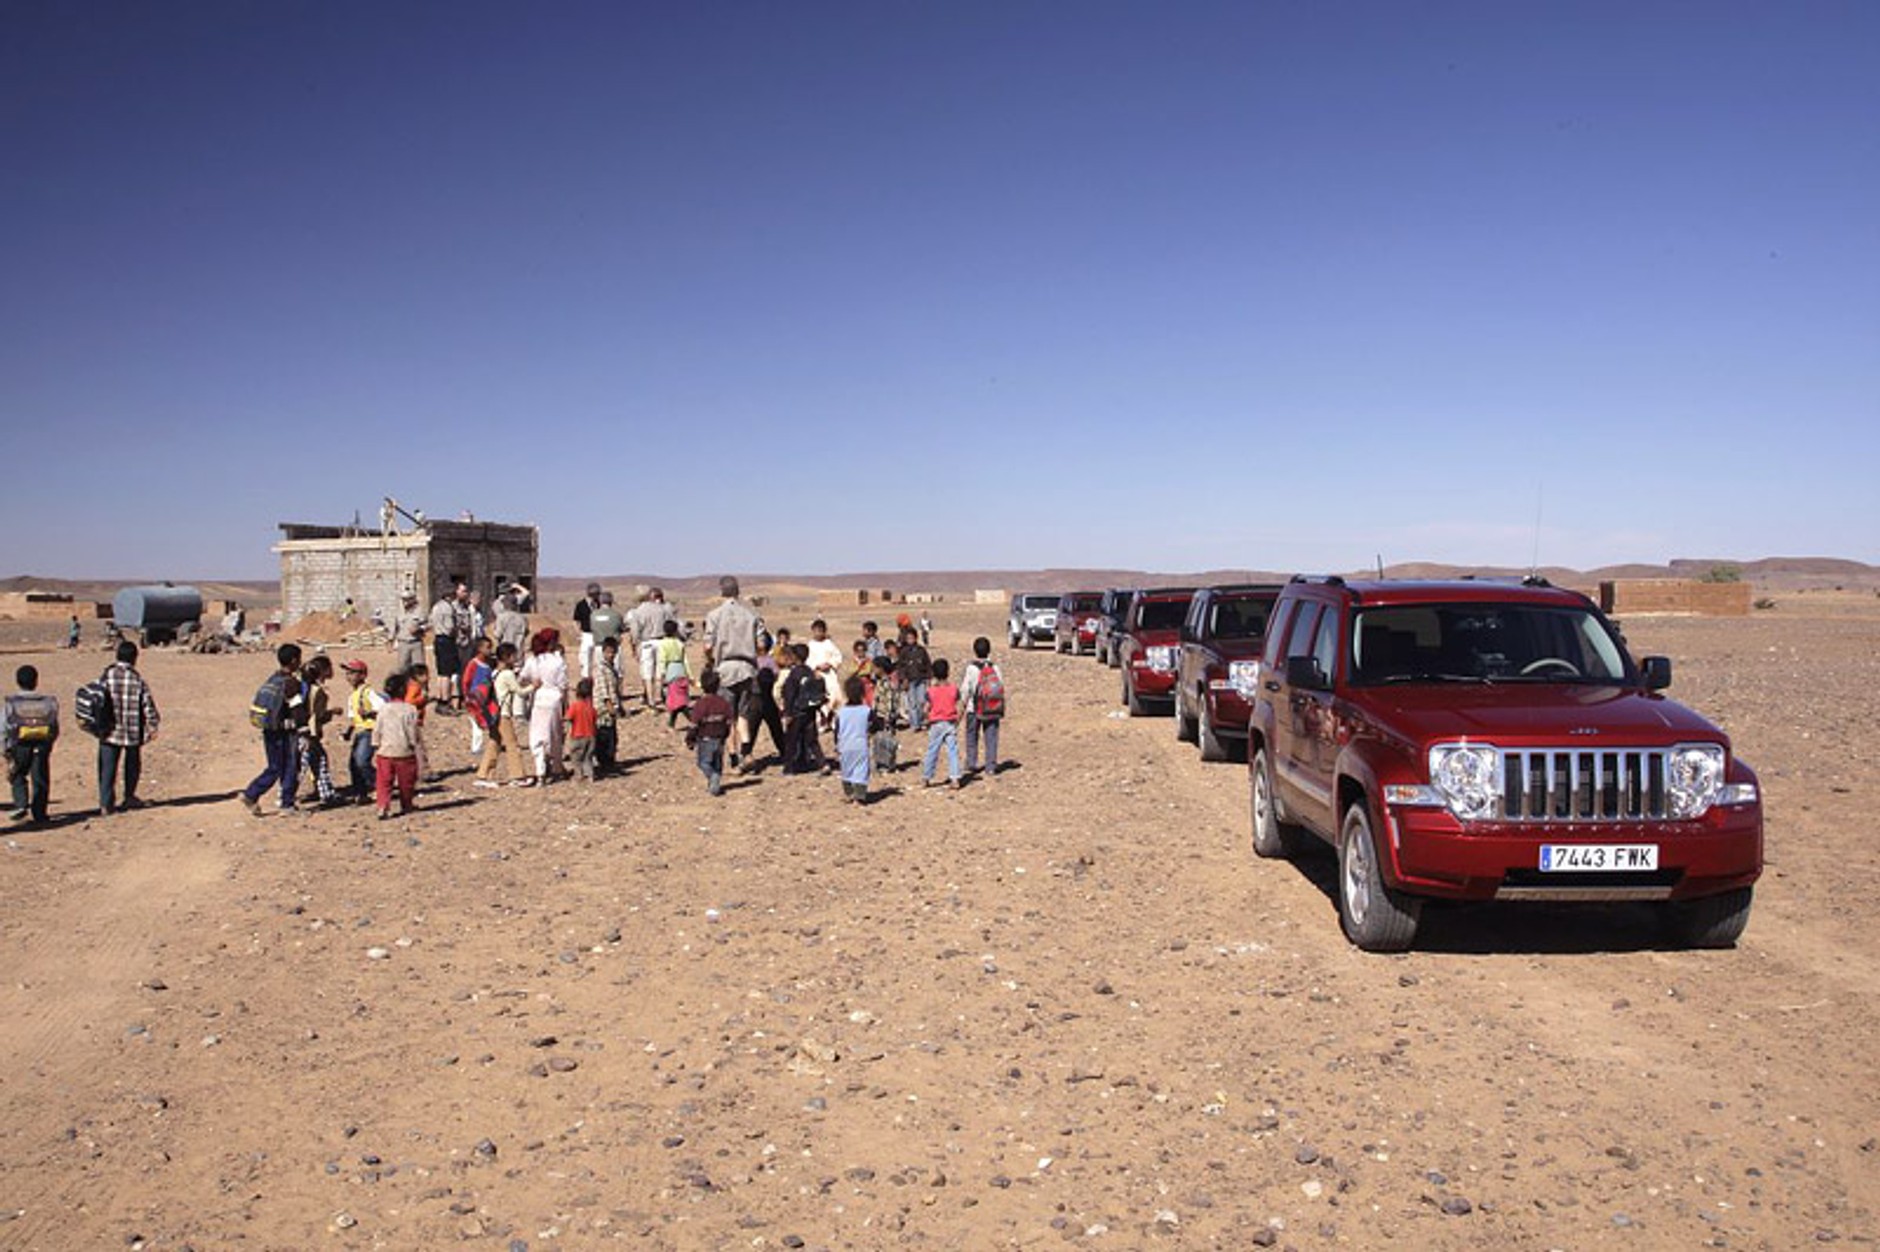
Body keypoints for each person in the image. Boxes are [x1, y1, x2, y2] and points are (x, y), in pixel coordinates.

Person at [702, 577, 764, 772]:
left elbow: (707, 646)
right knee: (744, 715)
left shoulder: (714, 615)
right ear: (738, 591)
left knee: (729, 717)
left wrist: (710, 660)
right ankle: (747, 752)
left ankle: (733, 757)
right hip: (747, 670)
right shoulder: (752, 614)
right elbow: (762, 645)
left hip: (725, 670)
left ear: (722, 592)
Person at [241, 644, 307, 816]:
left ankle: (254, 794)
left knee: (275, 766)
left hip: (269, 729)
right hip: (285, 732)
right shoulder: (291, 683)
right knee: (290, 766)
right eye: (299, 659)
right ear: (294, 661)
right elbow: (296, 708)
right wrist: (304, 730)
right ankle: (283, 803)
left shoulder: (272, 679)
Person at [97, 640, 159, 815]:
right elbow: (148, 705)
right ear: (134, 658)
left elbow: (96, 699)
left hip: (109, 731)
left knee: (107, 767)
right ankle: (129, 796)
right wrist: (152, 725)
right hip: (132, 731)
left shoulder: (106, 676)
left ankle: (105, 803)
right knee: (132, 765)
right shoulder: (137, 679)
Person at [5, 664, 59, 825]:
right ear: (36, 681)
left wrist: (6, 748)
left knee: (17, 774)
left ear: (17, 681)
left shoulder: (12, 703)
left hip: (20, 745)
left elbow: (5, 727)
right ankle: (40, 813)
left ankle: (21, 804)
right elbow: (54, 726)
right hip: (41, 745)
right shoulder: (48, 703)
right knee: (40, 778)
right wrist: (49, 743)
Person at [481, 642, 532, 786]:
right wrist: (533, 686)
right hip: (503, 714)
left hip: (493, 713)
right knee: (512, 744)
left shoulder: (495, 672)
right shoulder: (508, 674)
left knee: (494, 743)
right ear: (507, 657)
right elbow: (520, 692)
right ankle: (517, 775)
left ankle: (483, 775)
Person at [521, 627, 568, 783]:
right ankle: (556, 767)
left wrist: (532, 684)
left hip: (539, 698)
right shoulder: (558, 661)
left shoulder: (533, 660)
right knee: (554, 736)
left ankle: (540, 771)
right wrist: (566, 705)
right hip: (554, 699)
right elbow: (563, 685)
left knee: (538, 735)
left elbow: (522, 678)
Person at [373, 672, 421, 818]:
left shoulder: (383, 709)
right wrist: (414, 744)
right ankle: (406, 804)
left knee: (383, 782)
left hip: (385, 751)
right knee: (406, 782)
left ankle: (383, 806)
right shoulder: (410, 709)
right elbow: (412, 730)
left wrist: (376, 746)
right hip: (404, 752)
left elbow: (377, 729)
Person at [960, 636, 1006, 776]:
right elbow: (1001, 686)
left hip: (974, 708)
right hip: (992, 708)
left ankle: (972, 763)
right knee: (991, 736)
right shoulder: (994, 667)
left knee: (972, 735)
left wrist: (963, 704)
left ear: (975, 651)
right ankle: (990, 766)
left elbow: (966, 689)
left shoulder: (971, 668)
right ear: (989, 651)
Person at [298, 654, 339, 806]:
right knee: (305, 765)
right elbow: (317, 716)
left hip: (303, 732)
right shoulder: (317, 692)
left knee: (317, 761)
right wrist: (332, 712)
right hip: (310, 733)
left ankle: (325, 793)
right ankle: (285, 797)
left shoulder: (304, 687)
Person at [686, 668, 735, 796]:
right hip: (720, 739)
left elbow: (694, 724)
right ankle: (714, 783)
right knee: (717, 764)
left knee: (703, 763)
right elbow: (729, 721)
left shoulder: (700, 704)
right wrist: (726, 734)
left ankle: (713, 779)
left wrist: (690, 739)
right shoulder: (723, 703)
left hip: (705, 739)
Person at [779, 643, 826, 775]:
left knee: (791, 741)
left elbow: (789, 694)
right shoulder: (810, 672)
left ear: (794, 657)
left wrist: (788, 713)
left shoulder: (794, 674)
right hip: (809, 711)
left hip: (796, 712)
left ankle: (788, 768)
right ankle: (822, 763)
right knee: (812, 740)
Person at [340, 659, 381, 802]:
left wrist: (369, 713)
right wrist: (348, 732)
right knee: (353, 766)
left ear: (362, 675)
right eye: (347, 673)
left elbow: (382, 709)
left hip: (369, 731)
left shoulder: (368, 692)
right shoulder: (353, 696)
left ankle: (379, 785)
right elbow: (353, 717)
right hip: (359, 732)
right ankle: (361, 793)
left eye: (352, 673)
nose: (348, 676)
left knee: (362, 761)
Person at [628, 587, 677, 706]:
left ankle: (650, 699)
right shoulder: (662, 609)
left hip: (646, 643)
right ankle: (659, 695)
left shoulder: (637, 611)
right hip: (661, 641)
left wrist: (634, 645)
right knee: (660, 671)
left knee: (647, 672)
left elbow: (635, 631)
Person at [921, 657, 962, 789]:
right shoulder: (954, 689)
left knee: (932, 750)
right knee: (953, 751)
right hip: (950, 722)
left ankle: (926, 777)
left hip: (936, 724)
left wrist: (927, 719)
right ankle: (955, 778)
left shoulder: (931, 691)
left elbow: (925, 708)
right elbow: (960, 706)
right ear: (948, 672)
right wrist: (958, 720)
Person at [835, 674, 873, 802]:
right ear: (862, 692)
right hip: (860, 745)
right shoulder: (866, 710)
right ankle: (860, 796)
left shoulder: (841, 712)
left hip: (844, 745)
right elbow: (876, 724)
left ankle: (849, 793)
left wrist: (837, 745)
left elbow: (837, 730)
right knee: (861, 771)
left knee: (847, 770)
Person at [753, 631, 788, 760]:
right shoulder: (755, 659)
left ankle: (784, 750)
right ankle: (747, 751)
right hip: (758, 698)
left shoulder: (767, 660)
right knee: (754, 728)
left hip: (764, 697)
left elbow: (776, 674)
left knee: (775, 727)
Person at [592, 636, 624, 775]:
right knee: (604, 736)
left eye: (613, 652)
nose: (611, 655)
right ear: (603, 651)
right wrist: (609, 706)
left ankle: (610, 761)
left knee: (612, 737)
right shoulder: (600, 669)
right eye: (608, 652)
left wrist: (619, 706)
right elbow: (603, 690)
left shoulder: (612, 668)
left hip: (612, 707)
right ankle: (604, 763)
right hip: (602, 709)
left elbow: (615, 688)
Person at [805, 619, 844, 729]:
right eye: (816, 631)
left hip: (829, 675)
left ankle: (833, 722)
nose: (818, 633)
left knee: (834, 697)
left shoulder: (829, 644)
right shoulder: (810, 645)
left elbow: (838, 657)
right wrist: (815, 667)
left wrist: (830, 664)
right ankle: (821, 723)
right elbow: (807, 660)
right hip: (816, 675)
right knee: (819, 699)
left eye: (820, 631)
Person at [896, 625, 933, 731]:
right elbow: (900, 667)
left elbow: (928, 664)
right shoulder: (904, 652)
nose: (910, 640)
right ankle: (915, 724)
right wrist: (903, 679)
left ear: (916, 638)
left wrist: (929, 677)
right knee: (912, 703)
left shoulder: (921, 650)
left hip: (921, 679)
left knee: (921, 701)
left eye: (912, 638)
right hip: (909, 680)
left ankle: (921, 721)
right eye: (908, 638)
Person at [869, 655, 903, 773]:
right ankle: (881, 762)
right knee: (878, 739)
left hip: (885, 715)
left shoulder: (887, 683)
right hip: (878, 714)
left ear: (881, 668)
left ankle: (888, 764)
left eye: (875, 667)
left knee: (887, 739)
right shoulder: (879, 682)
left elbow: (889, 700)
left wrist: (889, 716)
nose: (873, 670)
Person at [657, 619, 693, 729]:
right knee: (679, 699)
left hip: (671, 672)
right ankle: (671, 723)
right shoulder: (679, 643)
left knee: (677, 701)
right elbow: (685, 660)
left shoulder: (663, 644)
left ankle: (691, 719)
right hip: (681, 671)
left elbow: (662, 660)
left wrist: (662, 675)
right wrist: (690, 675)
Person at [566, 679, 598, 782]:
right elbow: (594, 719)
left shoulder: (575, 706)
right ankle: (590, 775)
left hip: (578, 736)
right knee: (588, 758)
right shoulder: (591, 707)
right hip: (591, 736)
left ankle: (578, 775)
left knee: (576, 758)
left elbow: (568, 718)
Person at [573, 582, 601, 680]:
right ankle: (586, 680)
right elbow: (576, 621)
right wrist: (579, 634)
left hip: (598, 634)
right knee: (585, 659)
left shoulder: (599, 604)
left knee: (598, 659)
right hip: (586, 634)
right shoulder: (581, 605)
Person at [394, 593, 427, 675]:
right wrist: (391, 639)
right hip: (403, 643)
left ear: (413, 600)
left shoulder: (420, 611)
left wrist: (419, 629)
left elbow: (429, 624)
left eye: (407, 599)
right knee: (402, 669)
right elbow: (395, 627)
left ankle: (420, 687)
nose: (405, 602)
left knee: (419, 669)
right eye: (403, 599)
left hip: (416, 643)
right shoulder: (399, 611)